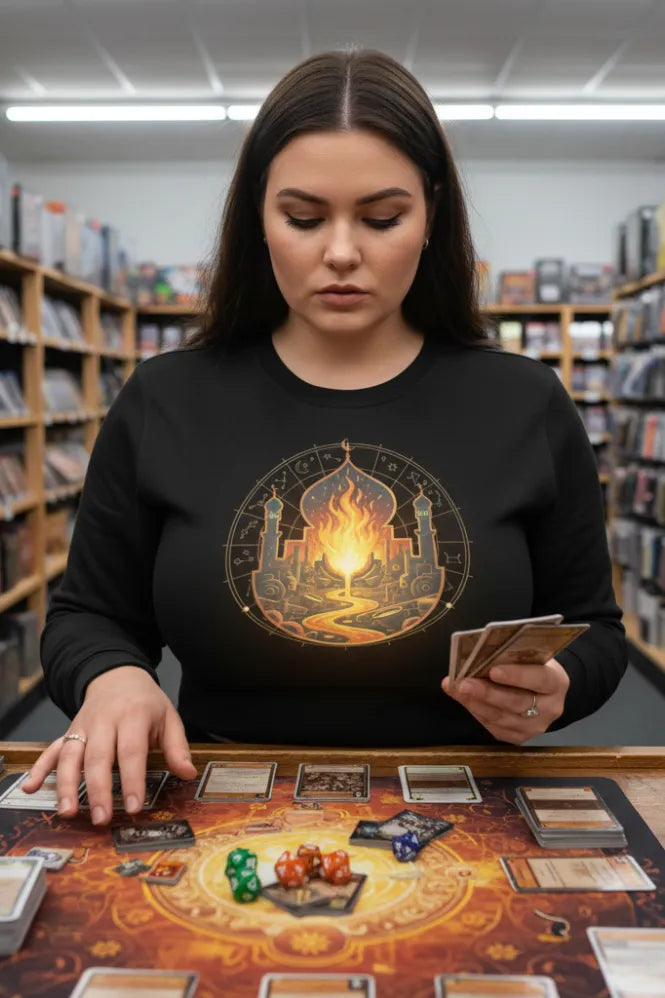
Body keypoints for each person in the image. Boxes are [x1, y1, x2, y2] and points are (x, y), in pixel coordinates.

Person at [24, 49, 626, 825]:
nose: (341, 251)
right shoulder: (166, 398)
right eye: (303, 218)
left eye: (382, 218)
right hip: (221, 800)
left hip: (466, 805)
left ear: (431, 215)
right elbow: (87, 615)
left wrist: (558, 689)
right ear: (258, 219)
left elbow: (595, 631)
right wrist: (112, 676)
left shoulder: (523, 401)